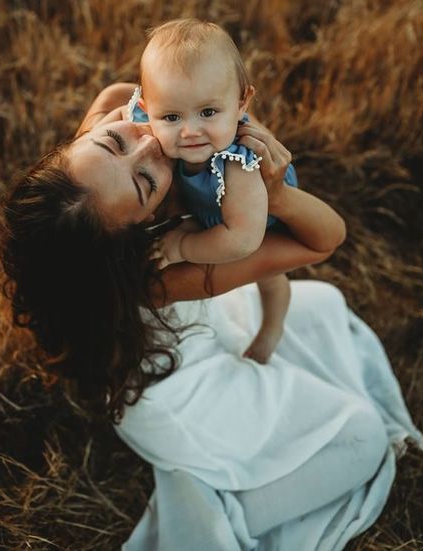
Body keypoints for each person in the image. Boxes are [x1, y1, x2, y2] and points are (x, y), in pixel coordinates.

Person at [0, 82, 423, 550]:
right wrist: (274, 192)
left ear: (80, 140)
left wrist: (176, 117)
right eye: (145, 181)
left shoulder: (92, 177)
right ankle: (222, 503)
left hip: (191, 333)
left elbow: (117, 91)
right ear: (135, 244)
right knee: (362, 441)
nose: (148, 143)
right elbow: (323, 240)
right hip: (184, 390)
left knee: (323, 305)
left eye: (113, 140)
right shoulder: (159, 276)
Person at [126, 19, 300, 364]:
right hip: (210, 209)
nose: (190, 131)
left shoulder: (237, 164)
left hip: (255, 220)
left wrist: (182, 247)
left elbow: (243, 240)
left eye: (208, 112)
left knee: (270, 275)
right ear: (148, 109)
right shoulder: (149, 124)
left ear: (241, 103)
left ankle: (272, 327)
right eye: (172, 117)